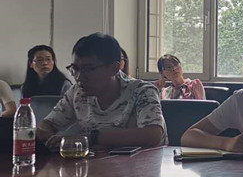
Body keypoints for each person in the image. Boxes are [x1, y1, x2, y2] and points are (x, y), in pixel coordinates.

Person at [36, 33, 167, 151]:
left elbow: (152, 135)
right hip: (95, 165)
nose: (79, 77)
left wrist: (91, 138)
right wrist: (44, 134)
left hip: (141, 166)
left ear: (114, 68)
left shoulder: (142, 91)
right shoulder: (77, 92)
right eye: (75, 69)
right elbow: (49, 124)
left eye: (89, 69)